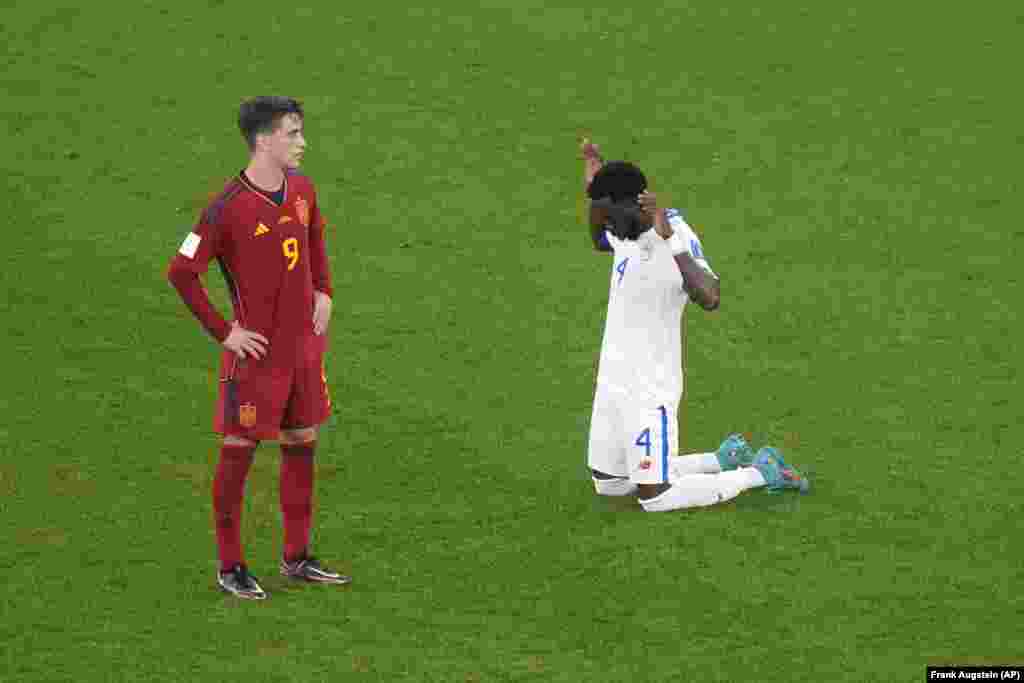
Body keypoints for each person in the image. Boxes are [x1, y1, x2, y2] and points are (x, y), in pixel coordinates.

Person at [167, 97, 350, 599]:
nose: (301, 142)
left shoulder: (303, 190)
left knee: (302, 441)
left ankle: (297, 558)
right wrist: (225, 332)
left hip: (302, 352)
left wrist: (325, 291)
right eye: (293, 133)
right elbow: (181, 272)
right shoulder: (225, 208)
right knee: (239, 449)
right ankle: (231, 566)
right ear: (263, 140)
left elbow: (315, 241)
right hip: (256, 358)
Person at [580, 137, 809, 512]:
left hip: (647, 389)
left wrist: (669, 240)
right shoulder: (621, 228)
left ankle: (759, 472)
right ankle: (720, 459)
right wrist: (595, 180)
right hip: (612, 383)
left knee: (655, 499)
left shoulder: (675, 233)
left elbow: (710, 296)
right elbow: (598, 238)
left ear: (637, 205)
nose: (604, 225)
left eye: (608, 215)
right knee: (611, 485)